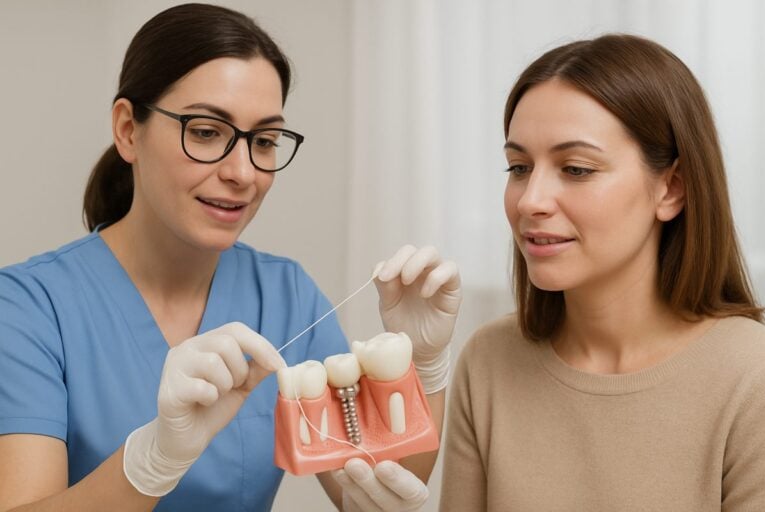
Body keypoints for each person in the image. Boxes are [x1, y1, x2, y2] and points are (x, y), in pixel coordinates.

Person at [0, 4, 460, 511]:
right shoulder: (26, 308)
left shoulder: (286, 296)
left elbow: (372, 496)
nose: (243, 172)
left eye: (263, 141)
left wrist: (421, 368)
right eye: (205, 131)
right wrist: (150, 462)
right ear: (129, 130)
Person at [440, 34, 765, 511]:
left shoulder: (752, 376)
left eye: (575, 169)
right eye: (518, 167)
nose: (530, 200)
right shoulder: (488, 362)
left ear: (671, 189)